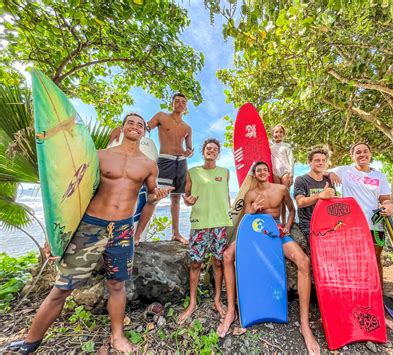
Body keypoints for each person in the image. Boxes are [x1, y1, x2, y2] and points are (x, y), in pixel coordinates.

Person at [7, 114, 172, 354]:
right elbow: (72, 194)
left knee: (117, 285)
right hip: (91, 226)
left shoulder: (148, 165)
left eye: (140, 124)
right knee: (62, 287)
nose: (135, 126)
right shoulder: (100, 156)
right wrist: (53, 236)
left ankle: (117, 337)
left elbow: (150, 200)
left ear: (145, 132)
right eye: (131, 122)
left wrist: (145, 219)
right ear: (123, 128)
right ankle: (31, 341)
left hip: (122, 230)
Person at [217, 161, 321, 355]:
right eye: (259, 170)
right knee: (227, 255)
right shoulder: (250, 195)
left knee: (304, 262)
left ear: (268, 172)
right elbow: (246, 217)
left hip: (276, 231)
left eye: (265, 169)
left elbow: (291, 209)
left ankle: (304, 325)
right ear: (255, 175)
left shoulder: (281, 189)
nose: (262, 172)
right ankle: (231, 310)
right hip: (255, 232)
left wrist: (288, 226)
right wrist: (251, 210)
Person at [330, 142, 393, 332]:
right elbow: (321, 170)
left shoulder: (379, 176)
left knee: (375, 260)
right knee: (351, 262)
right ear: (352, 156)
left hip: (375, 225)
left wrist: (390, 205)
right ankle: (353, 299)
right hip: (351, 225)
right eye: (358, 152)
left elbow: (385, 199)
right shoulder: (345, 170)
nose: (362, 154)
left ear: (370, 154)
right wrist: (331, 174)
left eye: (365, 151)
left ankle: (377, 299)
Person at [110, 93, 193, 245]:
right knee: (154, 198)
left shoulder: (187, 127)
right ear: (172, 103)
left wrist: (189, 152)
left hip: (181, 163)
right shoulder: (162, 116)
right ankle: (137, 235)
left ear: (186, 106)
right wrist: (121, 130)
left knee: (175, 199)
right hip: (164, 161)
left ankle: (176, 233)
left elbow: (189, 148)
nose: (180, 104)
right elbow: (144, 127)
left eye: (183, 102)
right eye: (177, 101)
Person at [178, 138, 232, 324]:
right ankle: (193, 302)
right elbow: (186, 196)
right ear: (204, 151)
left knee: (218, 263)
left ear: (218, 153)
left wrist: (231, 216)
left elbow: (226, 197)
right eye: (208, 148)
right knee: (195, 263)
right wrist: (187, 201)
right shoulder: (192, 172)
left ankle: (217, 300)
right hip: (200, 222)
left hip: (219, 223)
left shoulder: (225, 172)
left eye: (215, 149)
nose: (211, 151)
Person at [294, 147, 336, 239]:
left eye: (323, 160)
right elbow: (300, 203)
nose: (321, 163)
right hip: (309, 225)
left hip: (327, 224)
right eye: (317, 160)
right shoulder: (301, 180)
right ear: (310, 162)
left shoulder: (329, 180)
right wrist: (320, 196)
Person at [270, 124, 294, 223]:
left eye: (280, 132)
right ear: (272, 134)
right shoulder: (270, 147)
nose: (278, 134)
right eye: (276, 132)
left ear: (283, 134)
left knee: (285, 197)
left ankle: (286, 220)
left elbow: (291, 161)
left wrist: (291, 175)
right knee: (278, 198)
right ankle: (279, 221)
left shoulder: (287, 146)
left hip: (285, 173)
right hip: (275, 173)